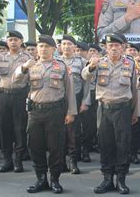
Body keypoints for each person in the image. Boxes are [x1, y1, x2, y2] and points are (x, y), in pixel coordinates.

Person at [14, 35, 77, 194]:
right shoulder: (31, 65)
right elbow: (16, 81)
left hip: (55, 111)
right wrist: (23, 68)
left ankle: (55, 180)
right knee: (35, 146)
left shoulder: (61, 66)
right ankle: (41, 179)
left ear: (54, 49)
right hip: (35, 112)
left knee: (55, 147)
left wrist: (70, 112)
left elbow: (70, 91)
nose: (43, 49)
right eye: (40, 46)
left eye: (46, 47)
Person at [84, 34, 140, 194]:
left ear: (123, 47)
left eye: (117, 45)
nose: (114, 48)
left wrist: (135, 111)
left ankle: (121, 179)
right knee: (105, 144)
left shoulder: (130, 63)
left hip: (123, 109)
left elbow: (135, 89)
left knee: (123, 144)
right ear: (106, 48)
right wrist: (91, 66)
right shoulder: (98, 62)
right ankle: (107, 178)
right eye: (110, 46)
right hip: (104, 108)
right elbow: (84, 75)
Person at [0, 31, 31, 173]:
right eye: (10, 39)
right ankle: (7, 160)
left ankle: (18, 160)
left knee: (20, 128)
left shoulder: (28, 58)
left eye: (15, 39)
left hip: (20, 95)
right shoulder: (0, 57)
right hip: (4, 95)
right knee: (4, 127)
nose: (13, 42)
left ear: (21, 41)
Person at [59, 35, 91, 174]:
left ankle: (73, 161)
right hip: (58, 100)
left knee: (73, 132)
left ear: (74, 47)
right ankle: (60, 161)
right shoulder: (56, 61)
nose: (66, 46)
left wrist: (85, 101)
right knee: (58, 132)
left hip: (76, 99)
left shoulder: (82, 62)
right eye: (64, 44)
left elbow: (87, 84)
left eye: (69, 44)